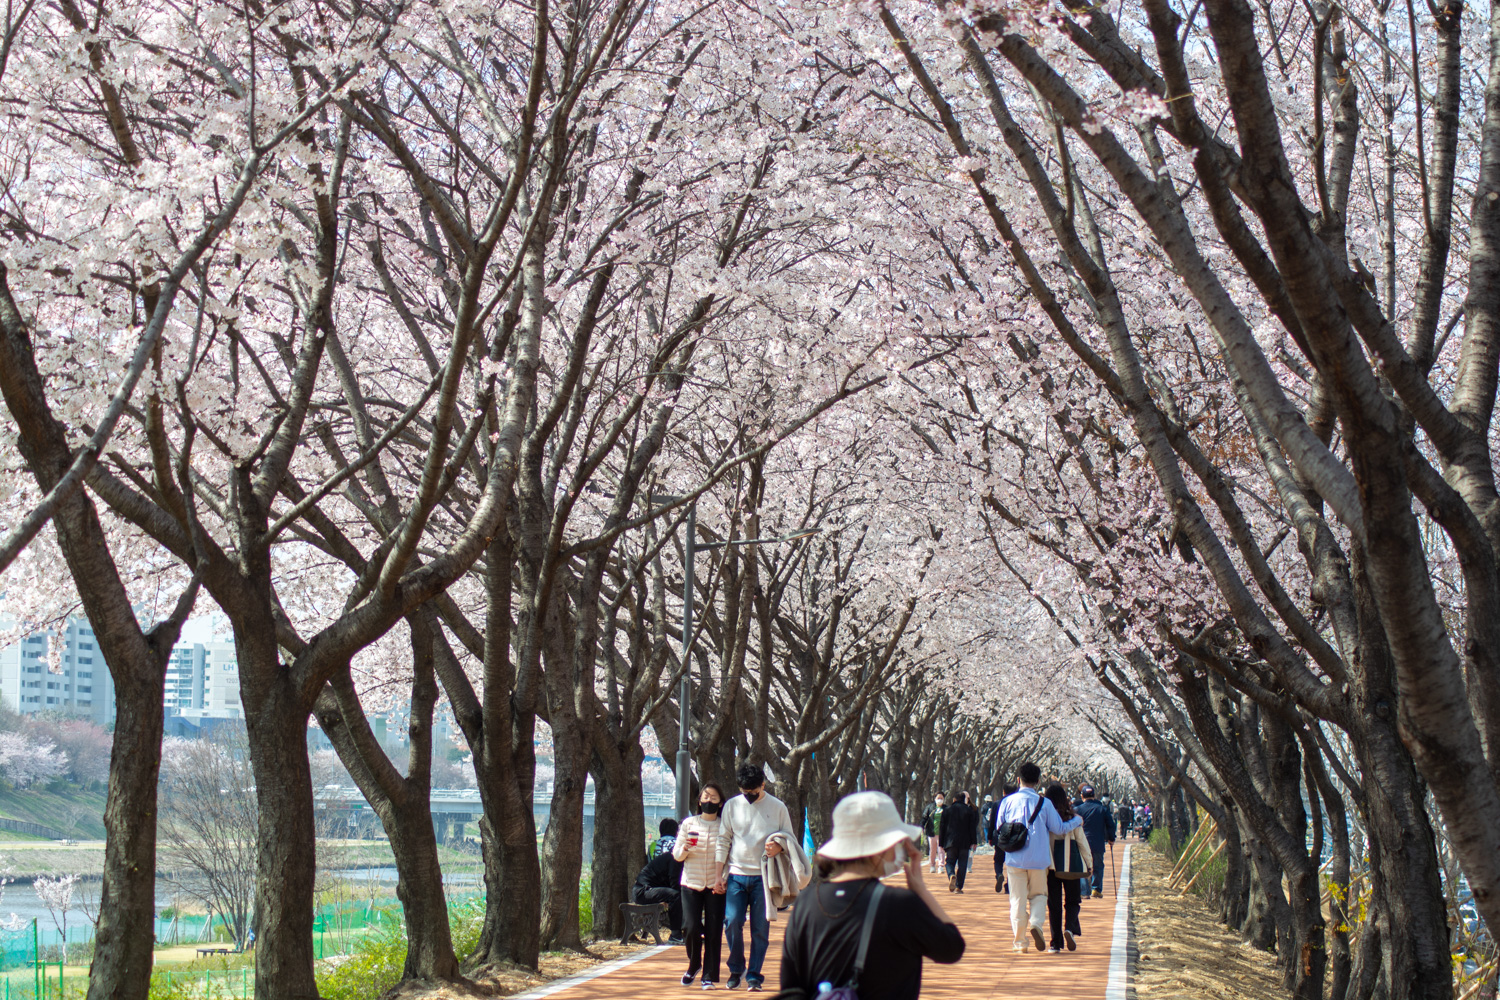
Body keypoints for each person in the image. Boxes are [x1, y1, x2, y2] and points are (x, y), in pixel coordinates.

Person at [778, 791, 964, 1000]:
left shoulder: (807, 901)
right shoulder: (899, 904)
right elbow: (952, 947)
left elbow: (790, 985)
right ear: (883, 847)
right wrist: (921, 890)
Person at [714, 762, 796, 992]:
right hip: (736, 875)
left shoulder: (778, 807)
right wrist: (718, 874)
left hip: (765, 877)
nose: (748, 795)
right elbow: (723, 840)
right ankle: (736, 968)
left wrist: (778, 848)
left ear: (763, 784)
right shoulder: (731, 806)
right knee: (732, 922)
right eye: (744, 791)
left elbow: (789, 837)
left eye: (753, 791)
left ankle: (754, 976)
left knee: (760, 929)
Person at [995, 762, 1083, 953]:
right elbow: (1059, 829)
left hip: (1015, 859)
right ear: (1038, 781)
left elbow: (999, 828)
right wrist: (1076, 820)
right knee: (1039, 895)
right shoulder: (1045, 803)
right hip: (1039, 859)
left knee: (1017, 900)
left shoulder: (1007, 802)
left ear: (1019, 780)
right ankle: (1036, 923)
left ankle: (1020, 943)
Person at [676, 782, 728, 989]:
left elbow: (729, 857)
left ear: (721, 803)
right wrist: (685, 848)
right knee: (690, 927)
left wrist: (722, 879)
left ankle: (709, 975)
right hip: (690, 883)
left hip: (715, 885)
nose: (708, 801)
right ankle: (694, 963)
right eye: (705, 797)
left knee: (714, 930)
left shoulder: (725, 826)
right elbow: (677, 856)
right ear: (699, 801)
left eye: (713, 798)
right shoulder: (689, 823)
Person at [1044, 784, 1091, 953]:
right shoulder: (1073, 818)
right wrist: (1089, 864)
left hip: (1050, 868)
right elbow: (1082, 843)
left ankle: (1055, 943)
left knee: (1054, 904)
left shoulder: (1044, 820)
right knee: (1072, 901)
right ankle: (1069, 928)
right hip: (1071, 866)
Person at [634, 819, 685, 944]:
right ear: (676, 832)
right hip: (651, 889)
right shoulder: (677, 848)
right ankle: (676, 934)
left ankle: (682, 930)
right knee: (677, 895)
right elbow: (674, 875)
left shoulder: (653, 845)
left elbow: (651, 862)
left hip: (653, 885)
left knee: (675, 894)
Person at [1073, 785, 1116, 899]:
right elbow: (1110, 825)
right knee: (1097, 865)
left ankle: (1084, 891)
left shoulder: (1078, 810)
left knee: (1082, 866)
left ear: (1082, 796)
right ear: (1094, 796)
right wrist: (1111, 838)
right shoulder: (1102, 809)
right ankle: (1096, 889)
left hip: (1082, 842)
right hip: (1097, 842)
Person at [938, 790, 979, 893]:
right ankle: (958, 887)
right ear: (964, 799)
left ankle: (951, 874)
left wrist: (941, 843)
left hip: (950, 841)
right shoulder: (969, 811)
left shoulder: (947, 810)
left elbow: (942, 828)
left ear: (954, 799)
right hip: (965, 842)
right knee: (963, 864)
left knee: (950, 862)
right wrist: (974, 841)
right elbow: (972, 828)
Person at [991, 785, 1015, 893]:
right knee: (1012, 861)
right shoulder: (1016, 803)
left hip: (1000, 834)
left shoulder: (997, 804)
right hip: (1014, 836)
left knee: (998, 859)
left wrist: (990, 837)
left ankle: (999, 874)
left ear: (1004, 792)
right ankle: (1009, 885)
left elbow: (993, 821)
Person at [920, 792, 946, 874]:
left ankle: (941, 866)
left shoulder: (946, 808)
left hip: (942, 833)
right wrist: (921, 826)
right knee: (932, 850)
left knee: (941, 850)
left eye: (941, 798)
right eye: (938, 798)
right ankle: (932, 865)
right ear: (935, 799)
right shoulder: (930, 807)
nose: (940, 800)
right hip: (931, 832)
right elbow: (924, 817)